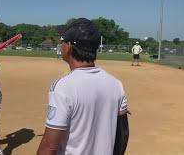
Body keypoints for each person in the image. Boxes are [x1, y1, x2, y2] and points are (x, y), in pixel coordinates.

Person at [37, 18, 129, 155]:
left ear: (68, 46)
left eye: (62, 41)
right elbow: (123, 134)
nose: (61, 44)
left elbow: (49, 146)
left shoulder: (63, 87)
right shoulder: (116, 84)